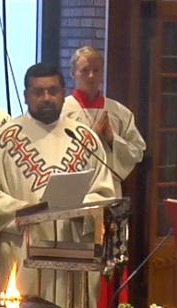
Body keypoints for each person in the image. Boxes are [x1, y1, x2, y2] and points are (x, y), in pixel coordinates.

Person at [0, 63, 115, 308]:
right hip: (23, 250)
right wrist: (30, 212)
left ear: (63, 92)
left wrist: (84, 209)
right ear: (26, 96)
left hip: (73, 248)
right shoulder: (4, 139)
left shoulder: (83, 137)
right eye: (38, 92)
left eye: (53, 91)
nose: (46, 98)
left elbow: (104, 192)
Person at [62, 46, 145, 196]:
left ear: (102, 74)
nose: (91, 76)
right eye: (85, 70)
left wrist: (113, 139)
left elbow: (137, 152)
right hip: (73, 190)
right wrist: (90, 138)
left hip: (109, 189)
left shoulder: (119, 112)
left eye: (96, 70)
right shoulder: (61, 111)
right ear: (73, 73)